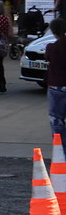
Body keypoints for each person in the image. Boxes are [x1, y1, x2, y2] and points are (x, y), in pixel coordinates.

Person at [44, 18, 66, 151]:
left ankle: (60, 151)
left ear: (53, 31)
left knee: (57, 121)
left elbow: (48, 58)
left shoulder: (51, 48)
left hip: (56, 86)